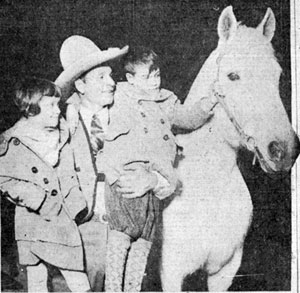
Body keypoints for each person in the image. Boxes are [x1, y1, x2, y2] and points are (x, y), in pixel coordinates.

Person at [95, 46, 218, 292]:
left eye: (157, 75)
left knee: (141, 251)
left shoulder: (167, 100)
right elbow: (92, 103)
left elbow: (188, 118)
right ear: (129, 78)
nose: (153, 82)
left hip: (154, 186)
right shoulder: (118, 95)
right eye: (145, 76)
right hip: (123, 186)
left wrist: (209, 102)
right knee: (117, 251)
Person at [55, 35, 165, 292]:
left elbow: (165, 153)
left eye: (111, 75)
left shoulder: (135, 114)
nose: (111, 83)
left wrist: (154, 180)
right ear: (80, 86)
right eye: (101, 77)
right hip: (84, 229)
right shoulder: (60, 122)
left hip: (133, 224)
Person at [0, 77, 91, 292]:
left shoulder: (62, 134)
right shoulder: (14, 142)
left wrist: (75, 200)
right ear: (31, 109)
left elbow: (70, 173)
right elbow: (3, 178)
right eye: (50, 105)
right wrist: (36, 199)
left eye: (57, 105)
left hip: (61, 216)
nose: (56, 110)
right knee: (37, 277)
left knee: (77, 274)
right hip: (32, 219)